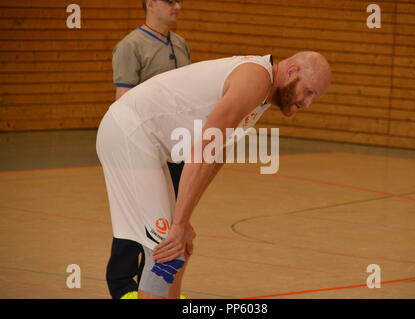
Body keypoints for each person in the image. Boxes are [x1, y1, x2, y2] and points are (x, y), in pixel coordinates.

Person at [96, 51, 332, 299]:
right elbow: (203, 150)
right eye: (309, 92)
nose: (308, 103)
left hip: (144, 142)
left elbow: (216, 156)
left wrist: (183, 220)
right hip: (129, 134)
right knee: (166, 250)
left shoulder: (261, 95)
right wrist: (177, 223)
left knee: (181, 246)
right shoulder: (257, 78)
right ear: (292, 71)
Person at [107, 0, 191, 299]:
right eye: (170, 0)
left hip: (175, 149)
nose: (178, 6)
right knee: (137, 221)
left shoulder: (180, 43)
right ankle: (122, 287)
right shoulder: (130, 45)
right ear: (151, 3)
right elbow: (123, 100)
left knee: (171, 221)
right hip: (142, 151)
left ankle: (153, 288)